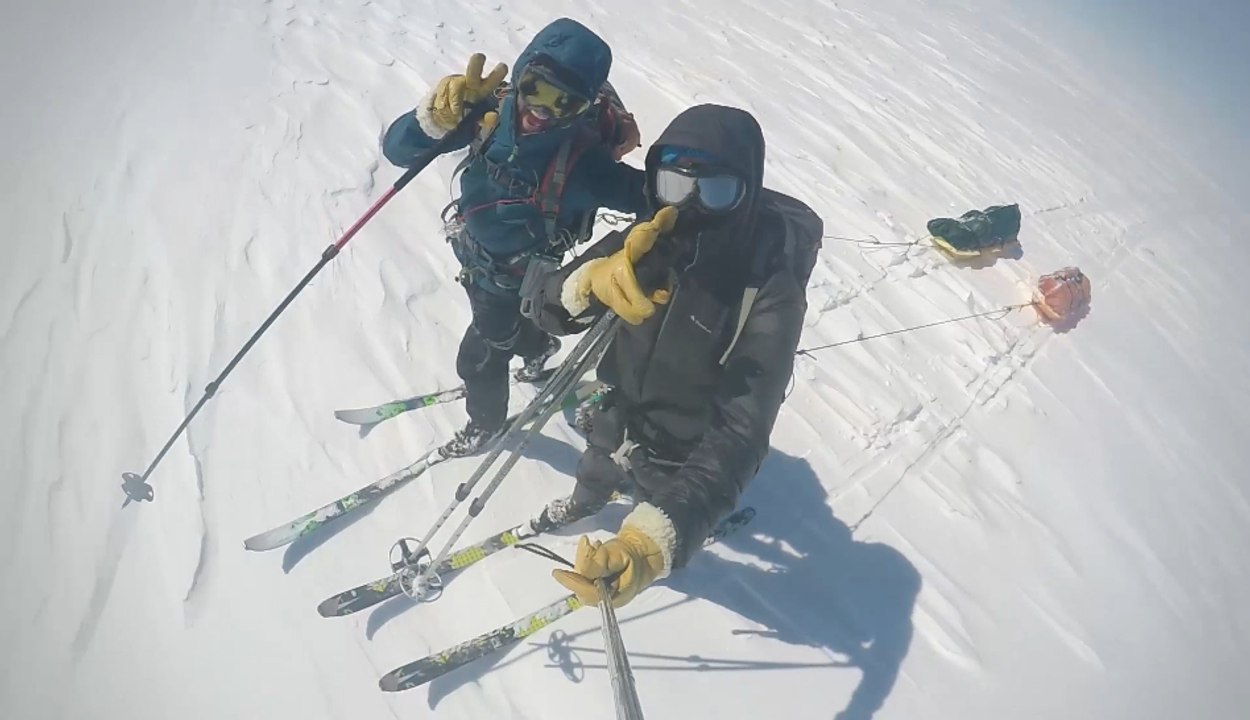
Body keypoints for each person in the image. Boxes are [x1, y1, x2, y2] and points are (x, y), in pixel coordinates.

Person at [520, 104, 823, 607]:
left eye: (716, 190)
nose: (690, 208)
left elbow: (742, 431)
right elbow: (545, 311)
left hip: (685, 443)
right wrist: (582, 287)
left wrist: (651, 543)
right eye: (675, 185)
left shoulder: (770, 289)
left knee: (653, 490)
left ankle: (654, 526)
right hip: (614, 408)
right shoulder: (643, 242)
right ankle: (586, 502)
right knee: (598, 465)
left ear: (744, 193)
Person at [381, 18, 647, 457]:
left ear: (583, 110)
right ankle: (538, 346)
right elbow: (399, 152)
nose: (542, 111)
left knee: (480, 357)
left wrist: (698, 192)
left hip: (512, 274)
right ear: (521, 73)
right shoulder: (485, 114)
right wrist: (430, 122)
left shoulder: (585, 163)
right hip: (475, 253)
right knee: (511, 327)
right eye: (536, 89)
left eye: (564, 104)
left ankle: (485, 424)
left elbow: (645, 196)